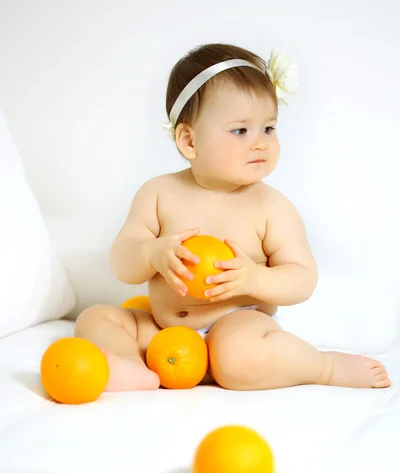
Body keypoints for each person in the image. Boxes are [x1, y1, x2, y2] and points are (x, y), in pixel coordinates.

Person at [74, 42, 391, 392]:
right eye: (241, 130)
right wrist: (151, 254)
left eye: (269, 128)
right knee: (97, 318)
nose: (260, 143)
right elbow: (122, 262)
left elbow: (302, 278)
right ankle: (132, 367)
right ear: (189, 141)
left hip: (237, 326)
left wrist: (254, 278)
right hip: (167, 335)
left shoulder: (271, 207)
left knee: (239, 353)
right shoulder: (158, 193)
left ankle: (324, 366)